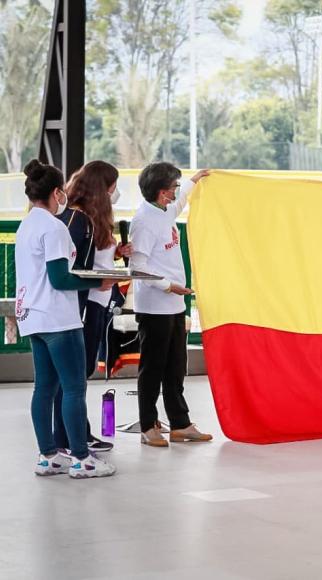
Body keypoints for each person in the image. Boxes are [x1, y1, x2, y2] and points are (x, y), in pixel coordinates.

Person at [15, 159, 117, 478]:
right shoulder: (54, 227)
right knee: (74, 388)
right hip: (59, 319)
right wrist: (97, 282)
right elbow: (60, 279)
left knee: (43, 389)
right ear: (58, 192)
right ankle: (82, 459)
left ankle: (48, 455)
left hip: (33, 317)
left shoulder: (26, 225)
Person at [129, 163, 212, 447]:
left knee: (175, 367)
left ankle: (180, 423)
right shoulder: (143, 221)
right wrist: (168, 286)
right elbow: (136, 266)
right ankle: (148, 425)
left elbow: (180, 203)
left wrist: (194, 181)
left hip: (175, 304)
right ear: (162, 192)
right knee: (152, 368)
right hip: (154, 306)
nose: (177, 192)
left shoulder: (165, 211)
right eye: (174, 187)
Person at [53, 160, 132, 453]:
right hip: (85, 305)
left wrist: (117, 253)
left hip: (97, 302)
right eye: (113, 186)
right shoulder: (78, 220)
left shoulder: (91, 219)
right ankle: (69, 437)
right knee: (74, 375)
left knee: (79, 373)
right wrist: (97, 282)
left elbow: (96, 260)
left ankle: (75, 433)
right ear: (102, 188)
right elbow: (74, 268)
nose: (115, 192)